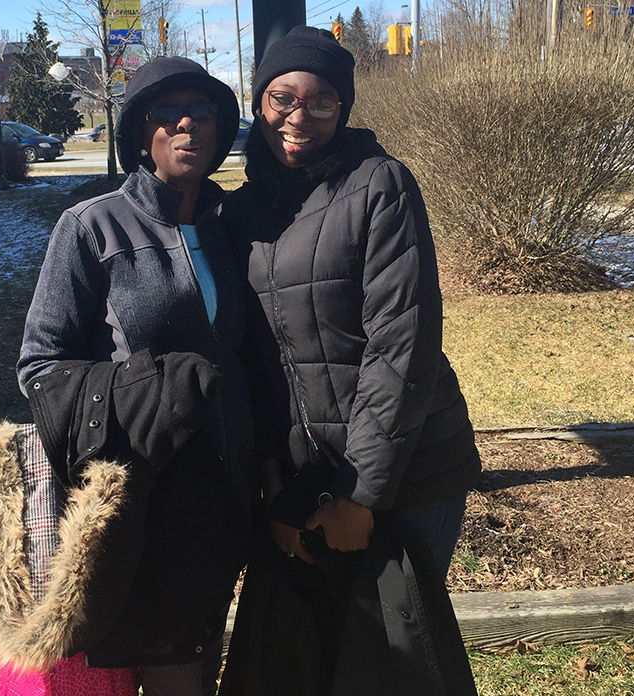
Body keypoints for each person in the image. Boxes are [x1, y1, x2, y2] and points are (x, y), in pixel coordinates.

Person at [218, 26, 482, 695]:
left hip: (411, 472)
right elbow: (253, 362)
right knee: (314, 658)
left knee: (392, 663)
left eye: (322, 101)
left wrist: (361, 496)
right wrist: (277, 485)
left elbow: (402, 346)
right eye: (282, 98)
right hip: (306, 481)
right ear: (258, 101)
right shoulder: (242, 212)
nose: (297, 117)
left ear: (345, 110)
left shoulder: (381, 186)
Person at [2, 57, 252, 696]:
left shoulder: (232, 231)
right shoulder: (92, 226)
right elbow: (40, 365)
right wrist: (149, 390)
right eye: (167, 115)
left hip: (215, 493)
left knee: (185, 672)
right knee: (121, 665)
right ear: (142, 133)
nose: (187, 126)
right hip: (129, 494)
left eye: (204, 114)